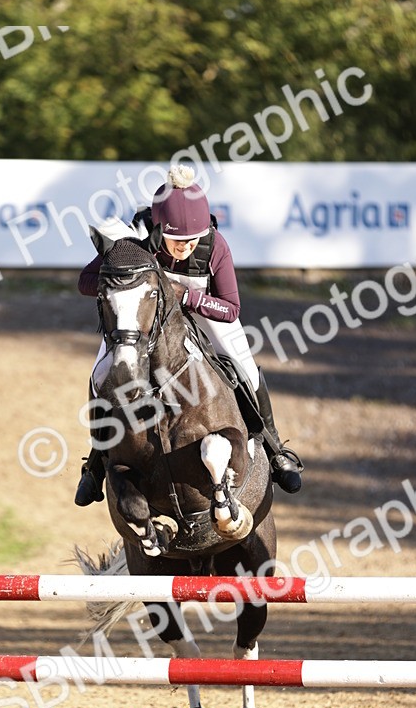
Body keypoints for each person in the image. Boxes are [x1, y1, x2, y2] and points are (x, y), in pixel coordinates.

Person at [74, 164, 303, 505]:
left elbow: (231, 308)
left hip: (205, 312)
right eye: (177, 241)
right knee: (101, 374)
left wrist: (188, 297)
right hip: (148, 319)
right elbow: (85, 281)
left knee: (245, 365)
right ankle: (95, 464)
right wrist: (126, 286)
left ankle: (274, 448)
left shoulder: (215, 246)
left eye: (192, 239)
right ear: (157, 230)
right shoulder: (134, 239)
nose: (186, 247)